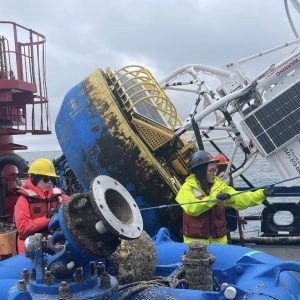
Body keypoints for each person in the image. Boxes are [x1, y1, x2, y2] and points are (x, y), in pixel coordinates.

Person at [176, 150, 274, 244]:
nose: (214, 173)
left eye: (215, 170)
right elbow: (192, 208)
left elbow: (239, 198)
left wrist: (262, 193)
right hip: (196, 245)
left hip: (219, 244)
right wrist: (215, 199)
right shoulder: (187, 188)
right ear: (201, 171)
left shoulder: (219, 186)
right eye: (211, 170)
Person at [14, 158, 69, 253]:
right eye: (46, 179)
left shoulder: (60, 196)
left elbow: (73, 205)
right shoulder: (23, 200)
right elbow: (22, 229)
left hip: (54, 243)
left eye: (52, 179)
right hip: (30, 248)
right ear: (34, 178)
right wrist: (49, 218)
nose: (50, 182)